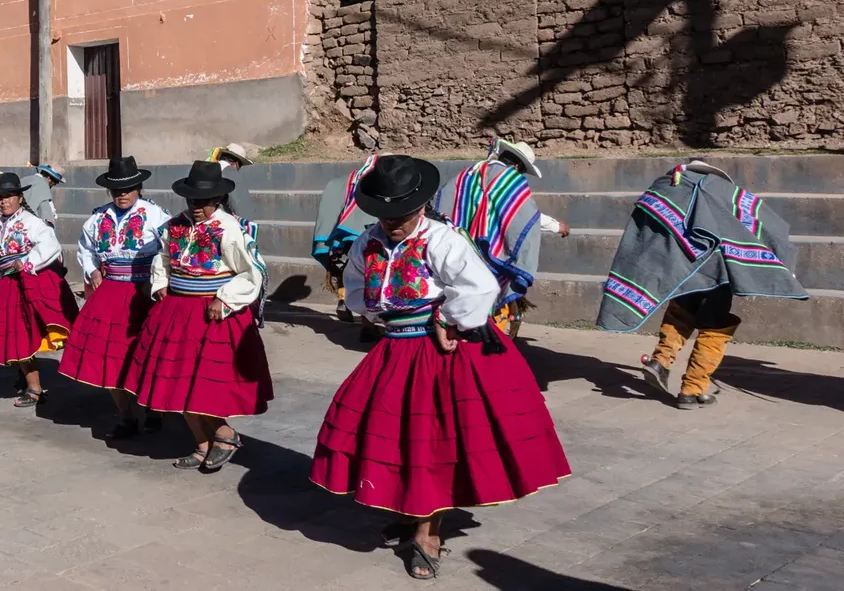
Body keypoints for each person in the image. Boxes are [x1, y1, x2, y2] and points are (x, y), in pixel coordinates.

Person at [310, 155, 571, 579]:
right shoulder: (367, 243)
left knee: (430, 441)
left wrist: (448, 320)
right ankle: (406, 507)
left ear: (419, 207)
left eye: (400, 214)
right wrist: (379, 316)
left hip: (442, 353)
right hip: (394, 350)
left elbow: (479, 286)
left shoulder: (443, 240)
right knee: (392, 436)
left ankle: (428, 534)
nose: (391, 222)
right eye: (383, 214)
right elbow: (357, 288)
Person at [600, 159, 807, 409]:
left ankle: (660, 361)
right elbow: (760, 219)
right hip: (715, 270)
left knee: (682, 311)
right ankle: (692, 388)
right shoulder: (719, 189)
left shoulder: (666, 187)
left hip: (682, 268)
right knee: (715, 324)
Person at [124, 160, 272, 473]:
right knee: (177, 378)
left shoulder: (230, 228)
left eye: (203, 202)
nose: (197, 208)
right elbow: (162, 259)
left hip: (211, 312)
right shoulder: (175, 225)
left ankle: (223, 433)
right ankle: (201, 443)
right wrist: (162, 283)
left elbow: (250, 272)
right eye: (192, 201)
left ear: (216, 200)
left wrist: (225, 298)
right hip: (177, 310)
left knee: (201, 382)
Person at [59, 156, 170, 435]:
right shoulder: (99, 217)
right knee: (110, 355)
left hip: (144, 293)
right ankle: (126, 416)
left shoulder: (155, 215)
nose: (122, 194)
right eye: (117, 190)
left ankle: (152, 408)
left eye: (129, 188)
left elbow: (168, 250)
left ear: (139, 188)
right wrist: (93, 271)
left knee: (146, 353)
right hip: (110, 293)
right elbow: (85, 249)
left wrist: (156, 280)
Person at [432, 139, 568, 338]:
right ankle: (490, 335)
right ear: (517, 166)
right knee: (491, 291)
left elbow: (444, 201)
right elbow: (523, 214)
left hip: (459, 247)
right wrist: (556, 226)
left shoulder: (467, 175)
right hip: (488, 254)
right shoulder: (511, 180)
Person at [0, 172, 79, 408]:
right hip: (9, 285)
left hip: (35, 281)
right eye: (0, 197)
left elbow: (50, 245)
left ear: (20, 197)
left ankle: (37, 386)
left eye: (9, 196)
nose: (4, 201)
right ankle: (30, 381)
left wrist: (29, 262)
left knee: (31, 331)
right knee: (15, 333)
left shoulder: (32, 222)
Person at [313, 155, 379, 323]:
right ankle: (367, 324)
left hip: (342, 236)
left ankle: (343, 299)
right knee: (369, 273)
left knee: (346, 267)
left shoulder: (343, 182)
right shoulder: (377, 183)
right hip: (368, 233)